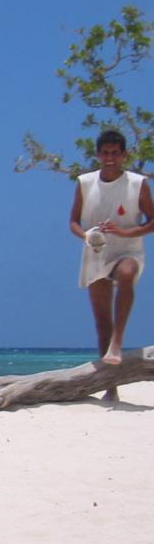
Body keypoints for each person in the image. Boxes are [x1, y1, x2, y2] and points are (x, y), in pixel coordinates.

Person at [69, 130, 154, 379]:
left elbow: (152, 220)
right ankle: (109, 384)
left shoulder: (138, 183)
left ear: (124, 155)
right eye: (105, 153)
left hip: (128, 249)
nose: (110, 158)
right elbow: (73, 222)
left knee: (127, 273)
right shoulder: (84, 182)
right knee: (101, 323)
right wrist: (86, 235)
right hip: (96, 252)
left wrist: (127, 233)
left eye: (115, 153)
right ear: (97, 155)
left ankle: (118, 340)